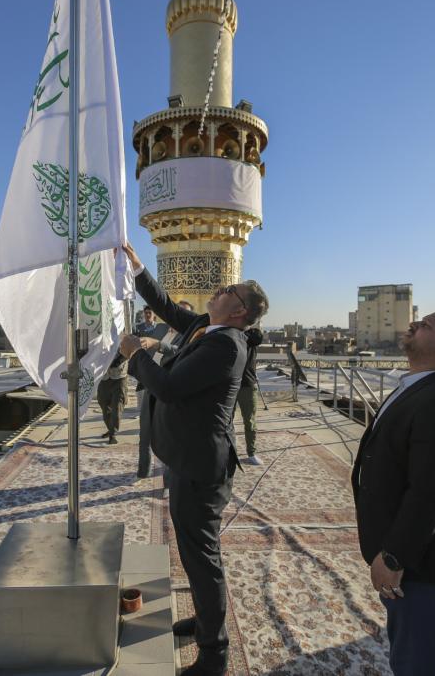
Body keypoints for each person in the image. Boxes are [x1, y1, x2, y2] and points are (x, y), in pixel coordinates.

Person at [119, 243, 269, 676]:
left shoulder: (227, 347)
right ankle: (204, 622)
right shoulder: (208, 327)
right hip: (186, 460)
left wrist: (136, 353)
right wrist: (139, 268)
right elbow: (167, 307)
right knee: (192, 552)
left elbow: (167, 386)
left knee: (203, 561)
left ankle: (213, 654)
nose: (219, 290)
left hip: (201, 469)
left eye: (228, 290)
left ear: (240, 312)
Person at [351, 308, 435, 676]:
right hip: (423, 554)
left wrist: (394, 557)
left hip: (427, 560)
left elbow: (430, 493)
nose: (412, 324)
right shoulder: (418, 387)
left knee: (418, 662)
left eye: (426, 325)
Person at [135, 303, 188, 480]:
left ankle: (168, 480)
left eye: (184, 314)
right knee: (145, 433)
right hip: (149, 385)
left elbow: (179, 352)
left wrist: (158, 344)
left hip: (169, 389)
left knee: (168, 437)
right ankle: (143, 472)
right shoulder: (160, 329)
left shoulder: (188, 336)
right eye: (177, 312)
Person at [236, 327, 264, 464]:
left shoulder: (250, 339)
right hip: (232, 384)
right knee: (225, 421)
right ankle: (228, 451)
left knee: (250, 421)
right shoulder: (233, 337)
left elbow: (258, 337)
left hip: (247, 385)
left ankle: (251, 452)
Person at [96, 351, 128, 444]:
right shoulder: (96, 336)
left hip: (119, 377)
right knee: (105, 407)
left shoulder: (123, 336)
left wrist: (116, 362)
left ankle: (113, 434)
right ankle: (111, 429)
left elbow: (128, 350)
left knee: (117, 407)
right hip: (103, 377)